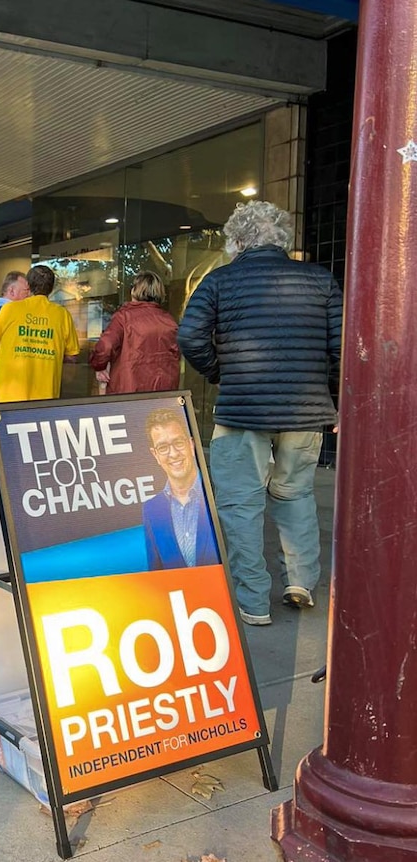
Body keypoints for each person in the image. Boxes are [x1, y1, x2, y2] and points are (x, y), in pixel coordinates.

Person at [178, 200, 342, 626]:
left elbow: (190, 335)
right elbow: (343, 346)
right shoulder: (320, 281)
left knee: (240, 505)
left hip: (242, 410)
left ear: (237, 241)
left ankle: (253, 602)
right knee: (296, 494)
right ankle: (301, 581)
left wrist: (220, 372)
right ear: (281, 240)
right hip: (305, 412)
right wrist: (332, 398)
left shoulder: (219, 282)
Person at [0, 264, 79, 402]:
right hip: (45, 398)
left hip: (9, 398)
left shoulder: (9, 310)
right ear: (52, 288)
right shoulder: (62, 315)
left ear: (28, 286)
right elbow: (72, 356)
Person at [142, 407, 219, 571]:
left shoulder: (218, 491)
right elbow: (157, 574)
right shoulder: (151, 510)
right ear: (155, 455)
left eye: (178, 443)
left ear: (191, 444)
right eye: (163, 447)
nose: (173, 454)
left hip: (222, 594)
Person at [89, 271, 179, 394]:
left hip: (128, 390)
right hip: (163, 392)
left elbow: (106, 345)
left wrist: (99, 366)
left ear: (134, 291)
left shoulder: (123, 318)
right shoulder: (169, 321)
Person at [0, 270, 29, 399]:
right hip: (6, 384)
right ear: (12, 291)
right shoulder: (5, 316)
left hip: (0, 382)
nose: (29, 295)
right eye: (25, 291)